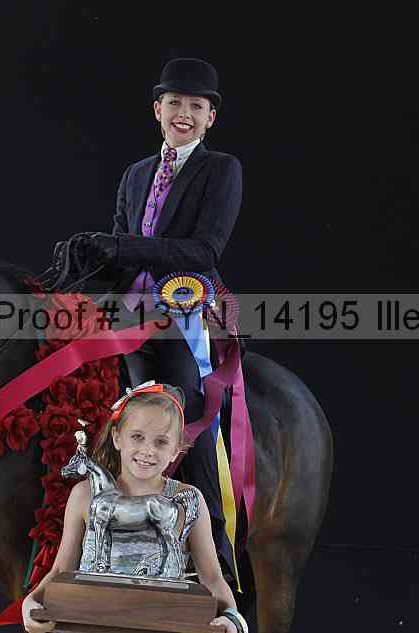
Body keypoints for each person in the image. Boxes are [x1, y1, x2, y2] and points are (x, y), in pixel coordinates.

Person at [77, 57, 244, 582]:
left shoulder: (221, 170)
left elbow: (204, 250)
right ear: (157, 109)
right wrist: (89, 263)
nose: (184, 113)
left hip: (182, 311)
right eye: (175, 103)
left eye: (196, 105)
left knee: (187, 413)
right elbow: (119, 249)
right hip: (129, 312)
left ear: (210, 117)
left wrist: (123, 246)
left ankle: (213, 553)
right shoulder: (135, 175)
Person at [21, 382, 248, 633]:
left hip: (159, 624)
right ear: (117, 437)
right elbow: (61, 569)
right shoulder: (84, 495)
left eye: (161, 442)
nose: (148, 450)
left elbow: (212, 577)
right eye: (137, 437)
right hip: (89, 622)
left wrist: (232, 617)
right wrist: (31, 602)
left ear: (176, 450)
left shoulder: (187, 499)